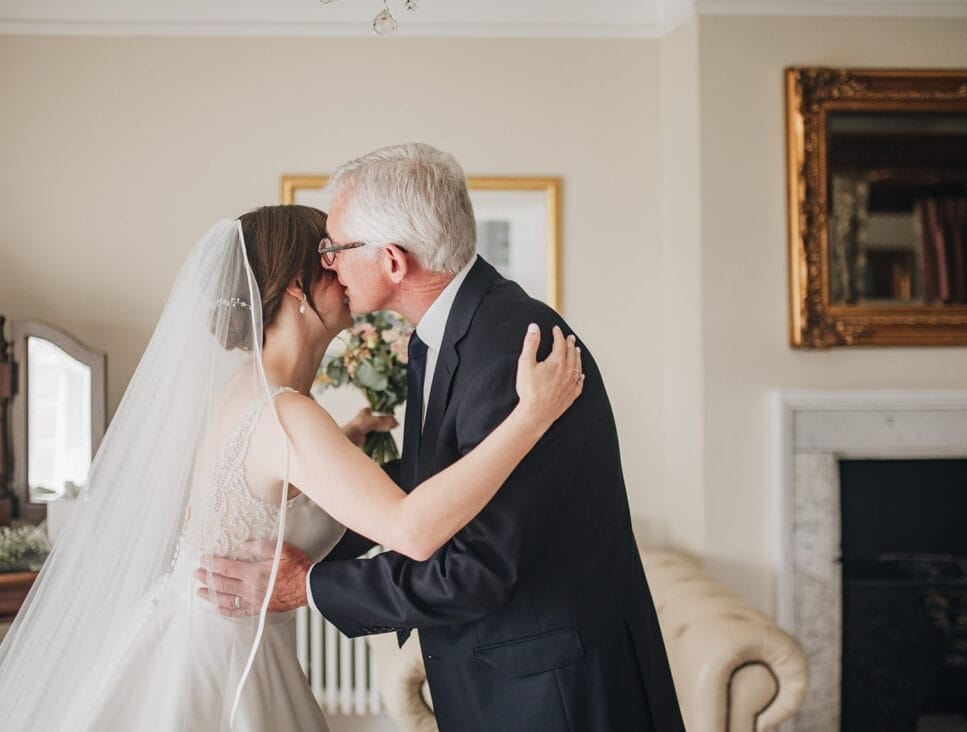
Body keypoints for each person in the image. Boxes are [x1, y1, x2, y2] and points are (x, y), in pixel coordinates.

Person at [0, 204, 583, 732]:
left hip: (206, 638)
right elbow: (410, 529)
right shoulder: (286, 415)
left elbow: (270, 490)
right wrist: (530, 418)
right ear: (299, 287)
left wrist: (348, 440)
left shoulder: (249, 392)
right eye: (332, 259)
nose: (347, 271)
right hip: (225, 665)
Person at [203, 144, 686, 731]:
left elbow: (473, 566)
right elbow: (434, 485)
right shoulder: (448, 334)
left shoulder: (511, 348)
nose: (329, 262)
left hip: (554, 688)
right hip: (509, 674)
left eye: (336, 248)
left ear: (392, 261)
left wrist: (310, 585)